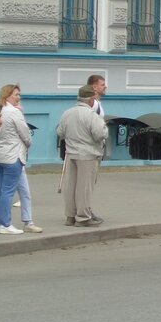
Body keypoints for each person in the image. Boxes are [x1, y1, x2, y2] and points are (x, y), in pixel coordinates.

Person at [55, 85, 108, 228]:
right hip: (88, 155)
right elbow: (100, 134)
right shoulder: (91, 115)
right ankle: (83, 217)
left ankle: (70, 216)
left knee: (70, 186)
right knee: (84, 187)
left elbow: (60, 132)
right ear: (91, 99)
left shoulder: (67, 113)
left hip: (71, 154)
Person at [0, 84, 34, 235]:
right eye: (16, 94)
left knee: (0, 190)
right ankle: (6, 223)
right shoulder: (14, 113)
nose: (19, 97)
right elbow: (25, 134)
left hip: (0, 155)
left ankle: (0, 223)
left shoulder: (0, 111)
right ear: (7, 96)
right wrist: (28, 143)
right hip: (14, 156)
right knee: (7, 191)